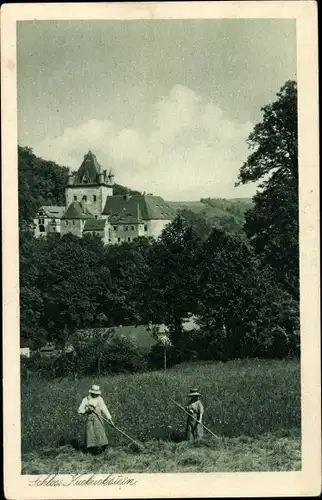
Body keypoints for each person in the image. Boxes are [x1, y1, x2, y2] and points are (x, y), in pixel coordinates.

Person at [78, 384, 114, 454]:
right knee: (91, 436)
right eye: (94, 393)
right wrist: (87, 411)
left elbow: (104, 409)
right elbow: (80, 410)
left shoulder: (100, 399)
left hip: (98, 420)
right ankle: (92, 453)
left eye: (96, 393)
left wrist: (110, 420)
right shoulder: (86, 399)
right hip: (90, 421)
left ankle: (103, 451)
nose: (95, 395)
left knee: (101, 435)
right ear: (91, 392)